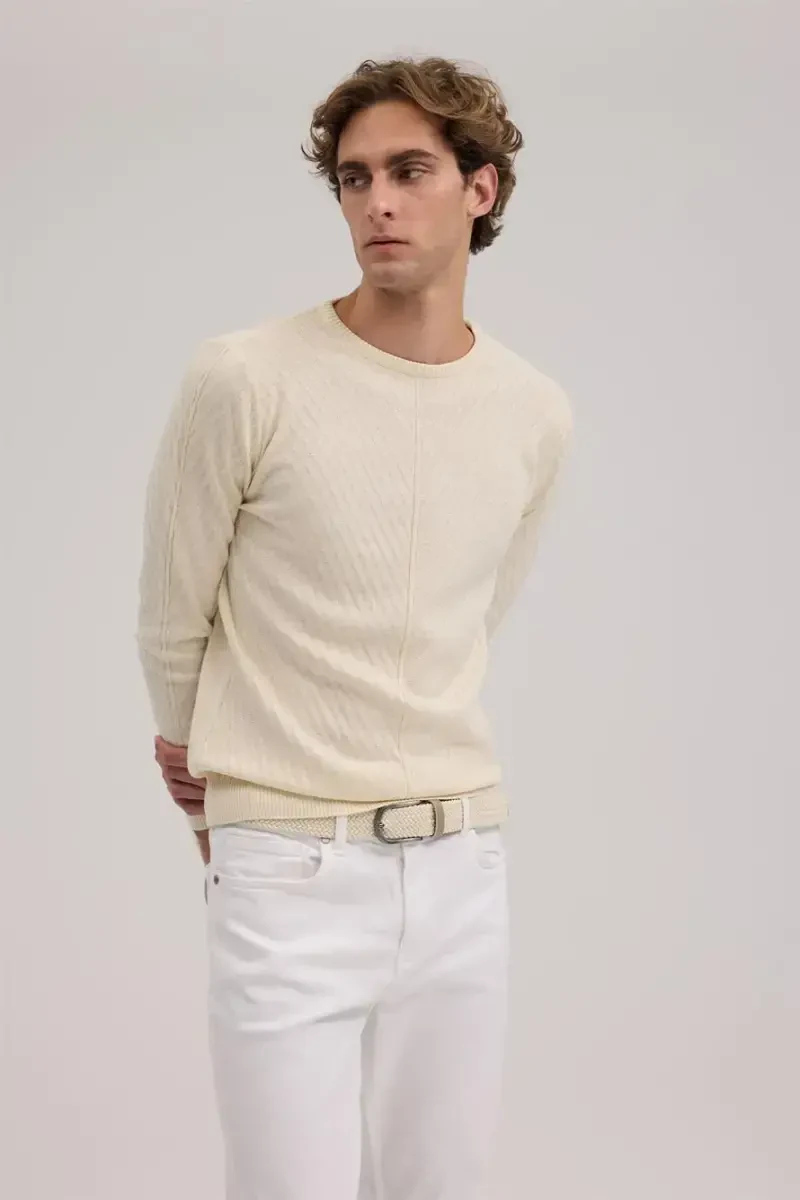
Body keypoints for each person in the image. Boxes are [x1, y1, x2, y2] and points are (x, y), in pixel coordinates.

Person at [137, 54, 574, 1200]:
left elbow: (467, 619)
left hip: (462, 864)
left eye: (408, 171)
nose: (375, 201)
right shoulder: (246, 378)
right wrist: (214, 791)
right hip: (286, 866)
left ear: (478, 189)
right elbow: (173, 618)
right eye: (352, 177)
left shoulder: (532, 412)